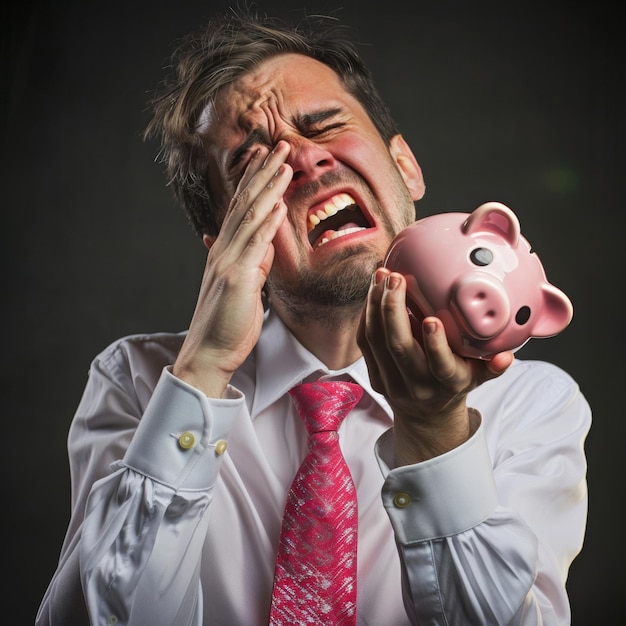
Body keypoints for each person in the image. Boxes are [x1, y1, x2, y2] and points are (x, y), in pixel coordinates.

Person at [36, 8, 591, 626]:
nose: (304, 161)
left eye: (324, 126)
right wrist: (202, 369)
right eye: (253, 164)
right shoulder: (139, 384)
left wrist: (433, 433)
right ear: (225, 242)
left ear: (405, 166)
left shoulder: (531, 404)